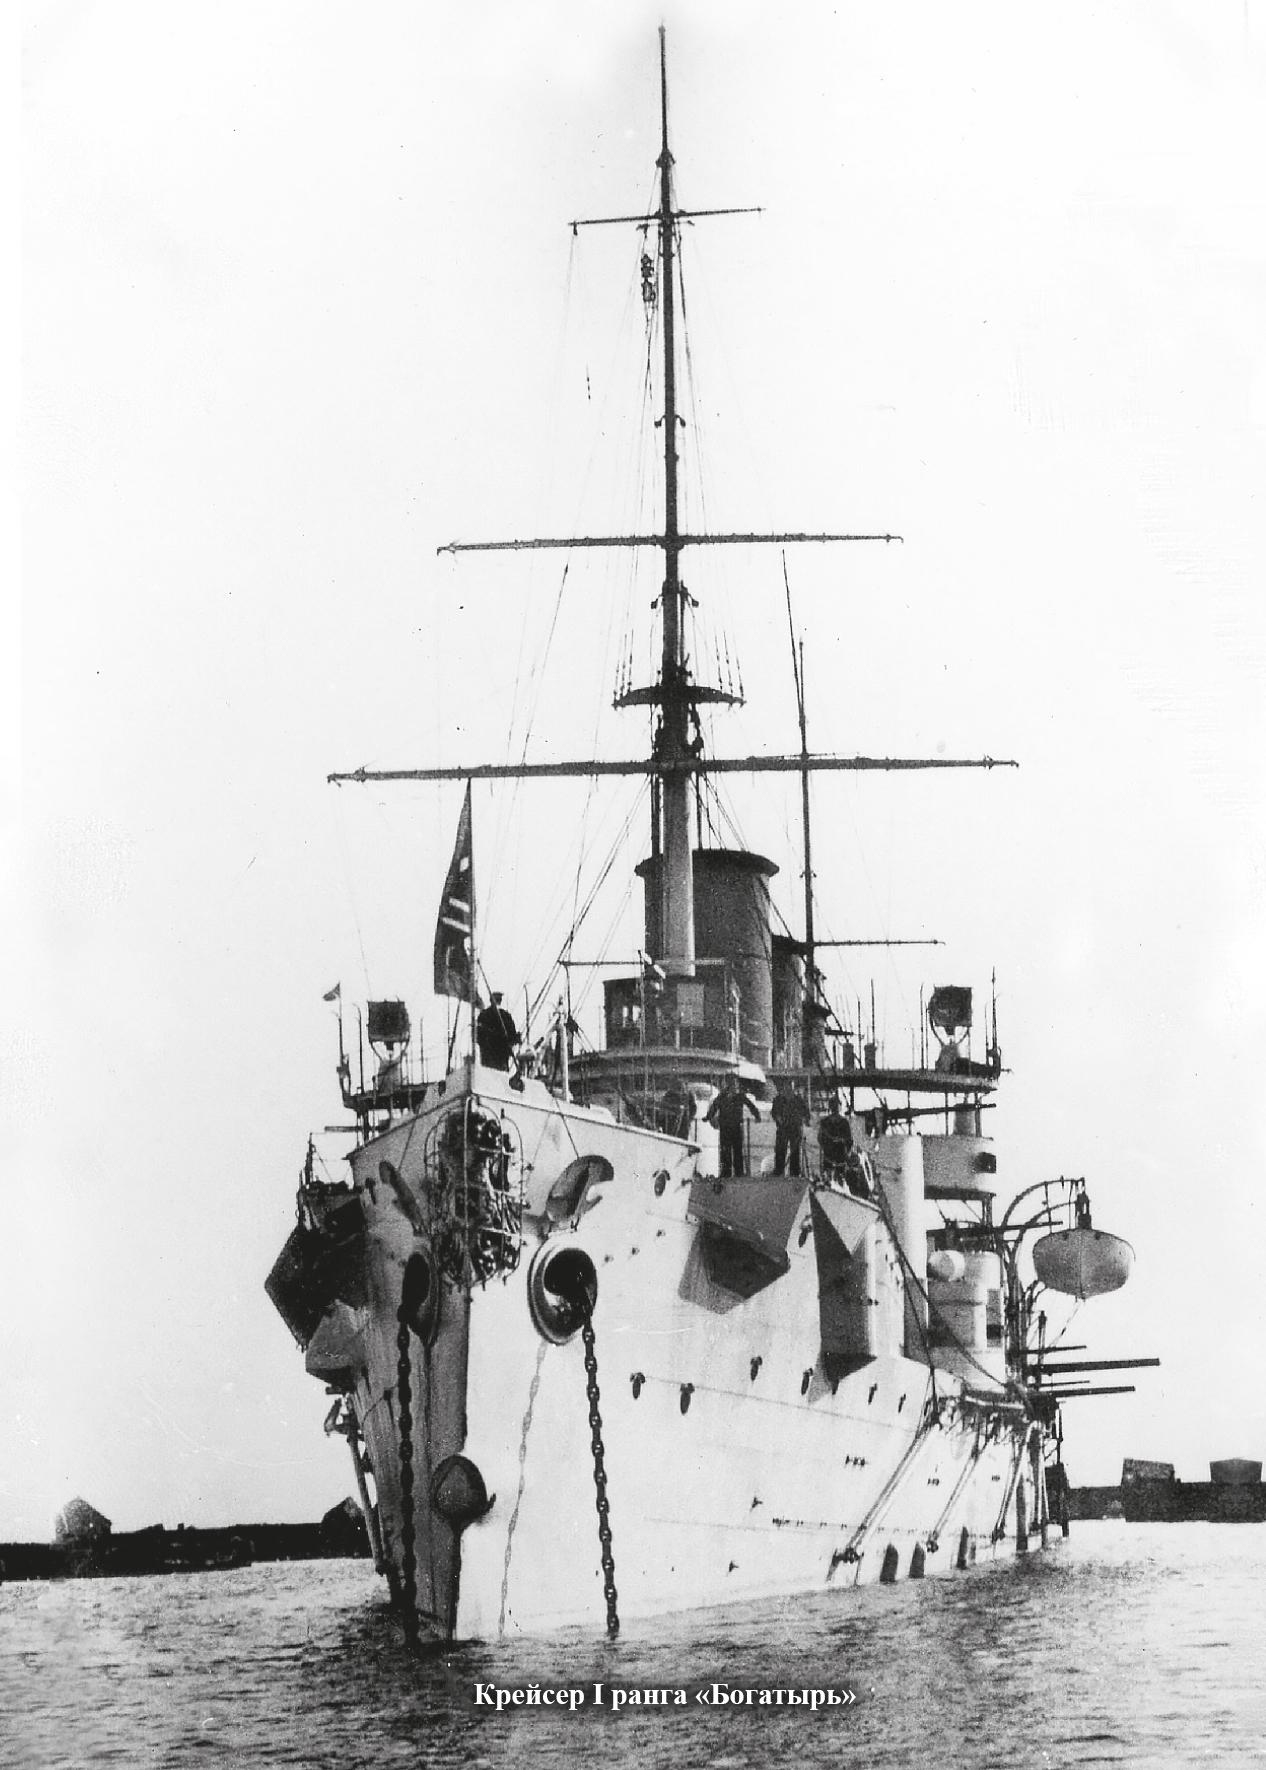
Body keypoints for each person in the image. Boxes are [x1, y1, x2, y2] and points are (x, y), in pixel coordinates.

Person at [705, 1074, 759, 1179]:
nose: (733, 1085)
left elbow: (751, 1106)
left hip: (736, 1126)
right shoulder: (722, 1097)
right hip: (725, 1127)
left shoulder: (739, 1096)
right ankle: (726, 1172)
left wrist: (757, 1115)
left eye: (734, 1083)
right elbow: (714, 1107)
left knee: (737, 1150)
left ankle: (738, 1172)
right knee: (725, 1151)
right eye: (731, 1082)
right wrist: (708, 1117)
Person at [771, 1080, 810, 1176]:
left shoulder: (798, 1100)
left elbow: (805, 1112)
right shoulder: (778, 1100)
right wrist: (778, 1118)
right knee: (780, 1150)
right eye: (786, 1087)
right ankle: (779, 1171)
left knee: (795, 1151)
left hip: (795, 1128)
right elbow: (774, 1112)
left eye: (789, 1087)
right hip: (782, 1128)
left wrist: (805, 1119)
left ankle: (794, 1172)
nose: (788, 1089)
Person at [476, 992, 520, 1071]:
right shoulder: (487, 1015)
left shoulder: (504, 1015)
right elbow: (479, 1035)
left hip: (496, 1054)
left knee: (493, 1072)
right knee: (495, 1072)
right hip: (493, 1053)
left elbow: (512, 1034)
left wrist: (514, 1039)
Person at [818, 1096, 854, 1182]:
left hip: (834, 1155)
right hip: (834, 1155)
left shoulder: (827, 1122)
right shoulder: (841, 1122)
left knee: (833, 1179)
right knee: (834, 1179)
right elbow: (849, 1140)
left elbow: (820, 1139)